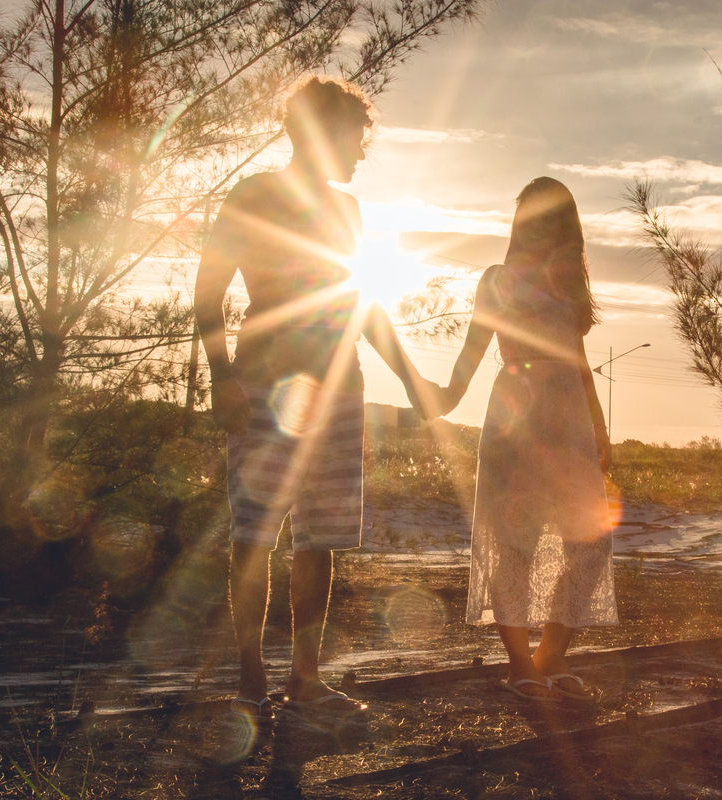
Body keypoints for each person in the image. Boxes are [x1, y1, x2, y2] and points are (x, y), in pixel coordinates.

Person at [194, 76, 435, 720]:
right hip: (264, 387)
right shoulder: (253, 195)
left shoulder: (349, 212)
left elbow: (362, 306)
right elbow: (207, 291)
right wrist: (221, 375)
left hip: (338, 388)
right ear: (324, 133)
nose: (360, 153)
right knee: (255, 531)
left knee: (318, 538)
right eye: (356, 138)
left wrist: (413, 382)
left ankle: (305, 678)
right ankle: (251, 676)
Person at [432, 177, 617, 701]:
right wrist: (446, 395)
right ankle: (519, 667)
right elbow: (472, 349)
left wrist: (599, 426)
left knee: (591, 540)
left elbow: (579, 363)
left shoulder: (568, 284)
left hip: (570, 420)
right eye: (539, 215)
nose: (548, 225)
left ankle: (549, 656)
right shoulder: (499, 278)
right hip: (517, 414)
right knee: (515, 541)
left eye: (559, 217)